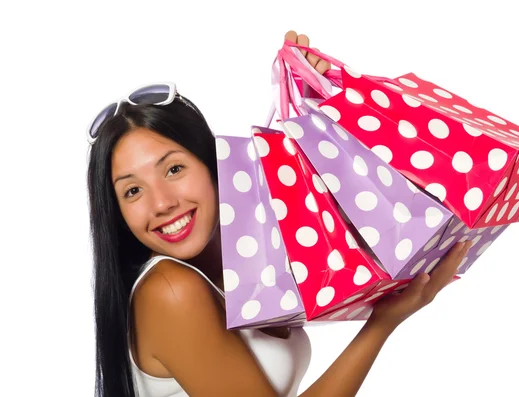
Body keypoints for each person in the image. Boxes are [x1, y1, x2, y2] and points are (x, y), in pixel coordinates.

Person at [86, 30, 473, 397]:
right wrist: (383, 324)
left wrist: (309, 99)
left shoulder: (248, 256)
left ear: (213, 163)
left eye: (174, 169)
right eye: (132, 190)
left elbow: (329, 199)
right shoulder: (171, 291)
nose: (162, 203)